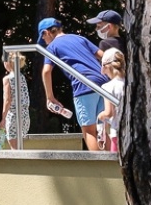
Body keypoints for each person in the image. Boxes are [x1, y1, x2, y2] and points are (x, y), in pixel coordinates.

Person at [38, 17, 108, 150]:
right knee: (104, 128)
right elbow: (103, 56)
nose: (44, 42)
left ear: (46, 33)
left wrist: (50, 97)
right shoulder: (79, 38)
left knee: (89, 130)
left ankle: (98, 169)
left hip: (84, 85)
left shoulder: (52, 46)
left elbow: (46, 72)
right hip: (103, 83)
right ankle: (113, 168)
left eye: (43, 39)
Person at [0, 51, 31, 150]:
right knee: (20, 147)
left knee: (15, 150)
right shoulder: (22, 77)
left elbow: (7, 99)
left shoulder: (7, 79)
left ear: (8, 63)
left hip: (13, 115)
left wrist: (3, 118)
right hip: (25, 114)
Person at [96, 49, 125, 153]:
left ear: (106, 67)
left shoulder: (107, 87)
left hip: (117, 133)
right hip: (133, 133)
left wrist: (100, 116)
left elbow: (109, 112)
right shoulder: (131, 84)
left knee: (116, 166)